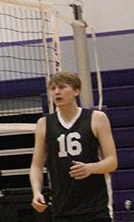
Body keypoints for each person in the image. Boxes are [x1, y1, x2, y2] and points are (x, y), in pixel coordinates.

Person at [29, 71, 118, 222]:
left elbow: (112, 162)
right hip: (62, 208)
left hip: (95, 208)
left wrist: (90, 168)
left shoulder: (96, 118)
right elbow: (36, 166)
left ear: (76, 91)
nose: (57, 92)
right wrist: (36, 192)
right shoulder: (44, 124)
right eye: (53, 88)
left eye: (62, 87)